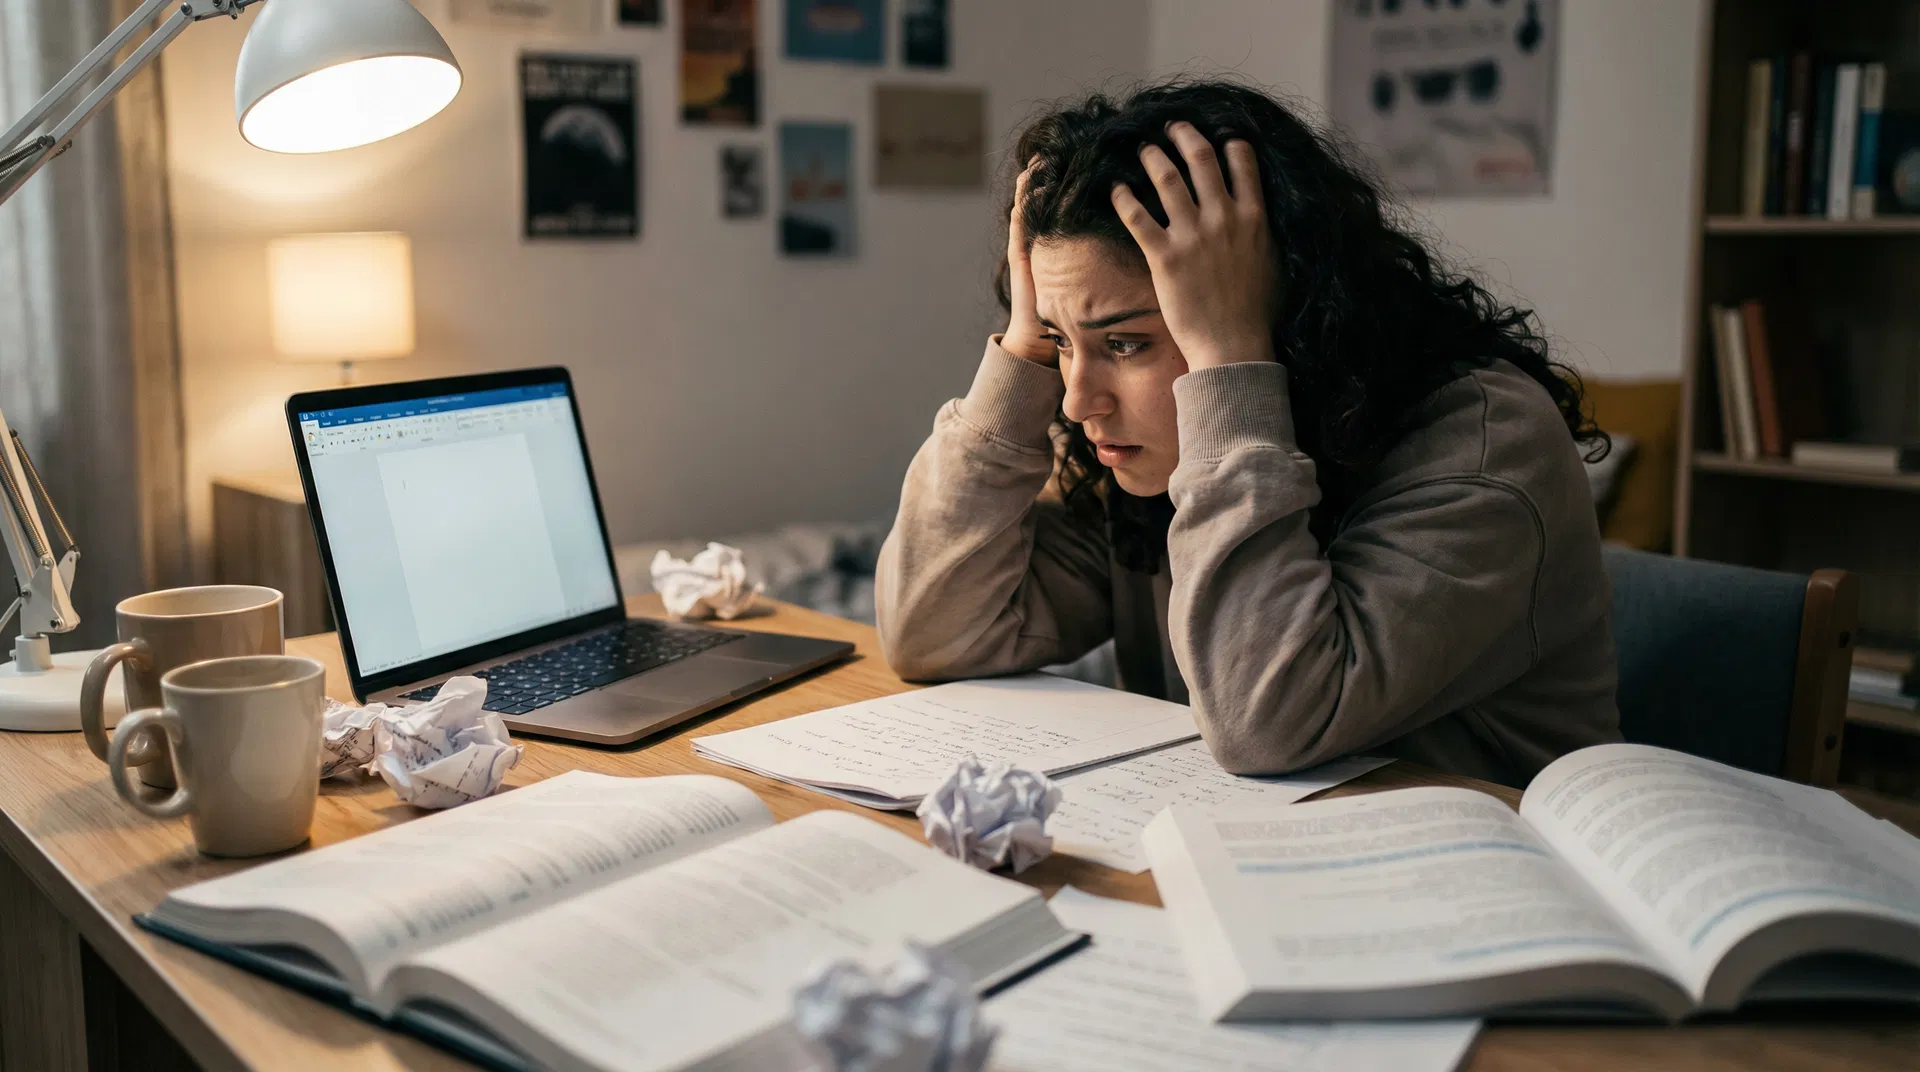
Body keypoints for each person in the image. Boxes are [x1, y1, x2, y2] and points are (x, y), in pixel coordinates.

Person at [874, 80, 1620, 787]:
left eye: (1126, 344)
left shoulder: (1486, 444)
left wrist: (1229, 361)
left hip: (1478, 882)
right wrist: (1022, 347)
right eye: (1062, 343)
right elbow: (933, 634)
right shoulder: (1139, 459)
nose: (1074, 403)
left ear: (1278, 314)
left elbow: (1267, 722)